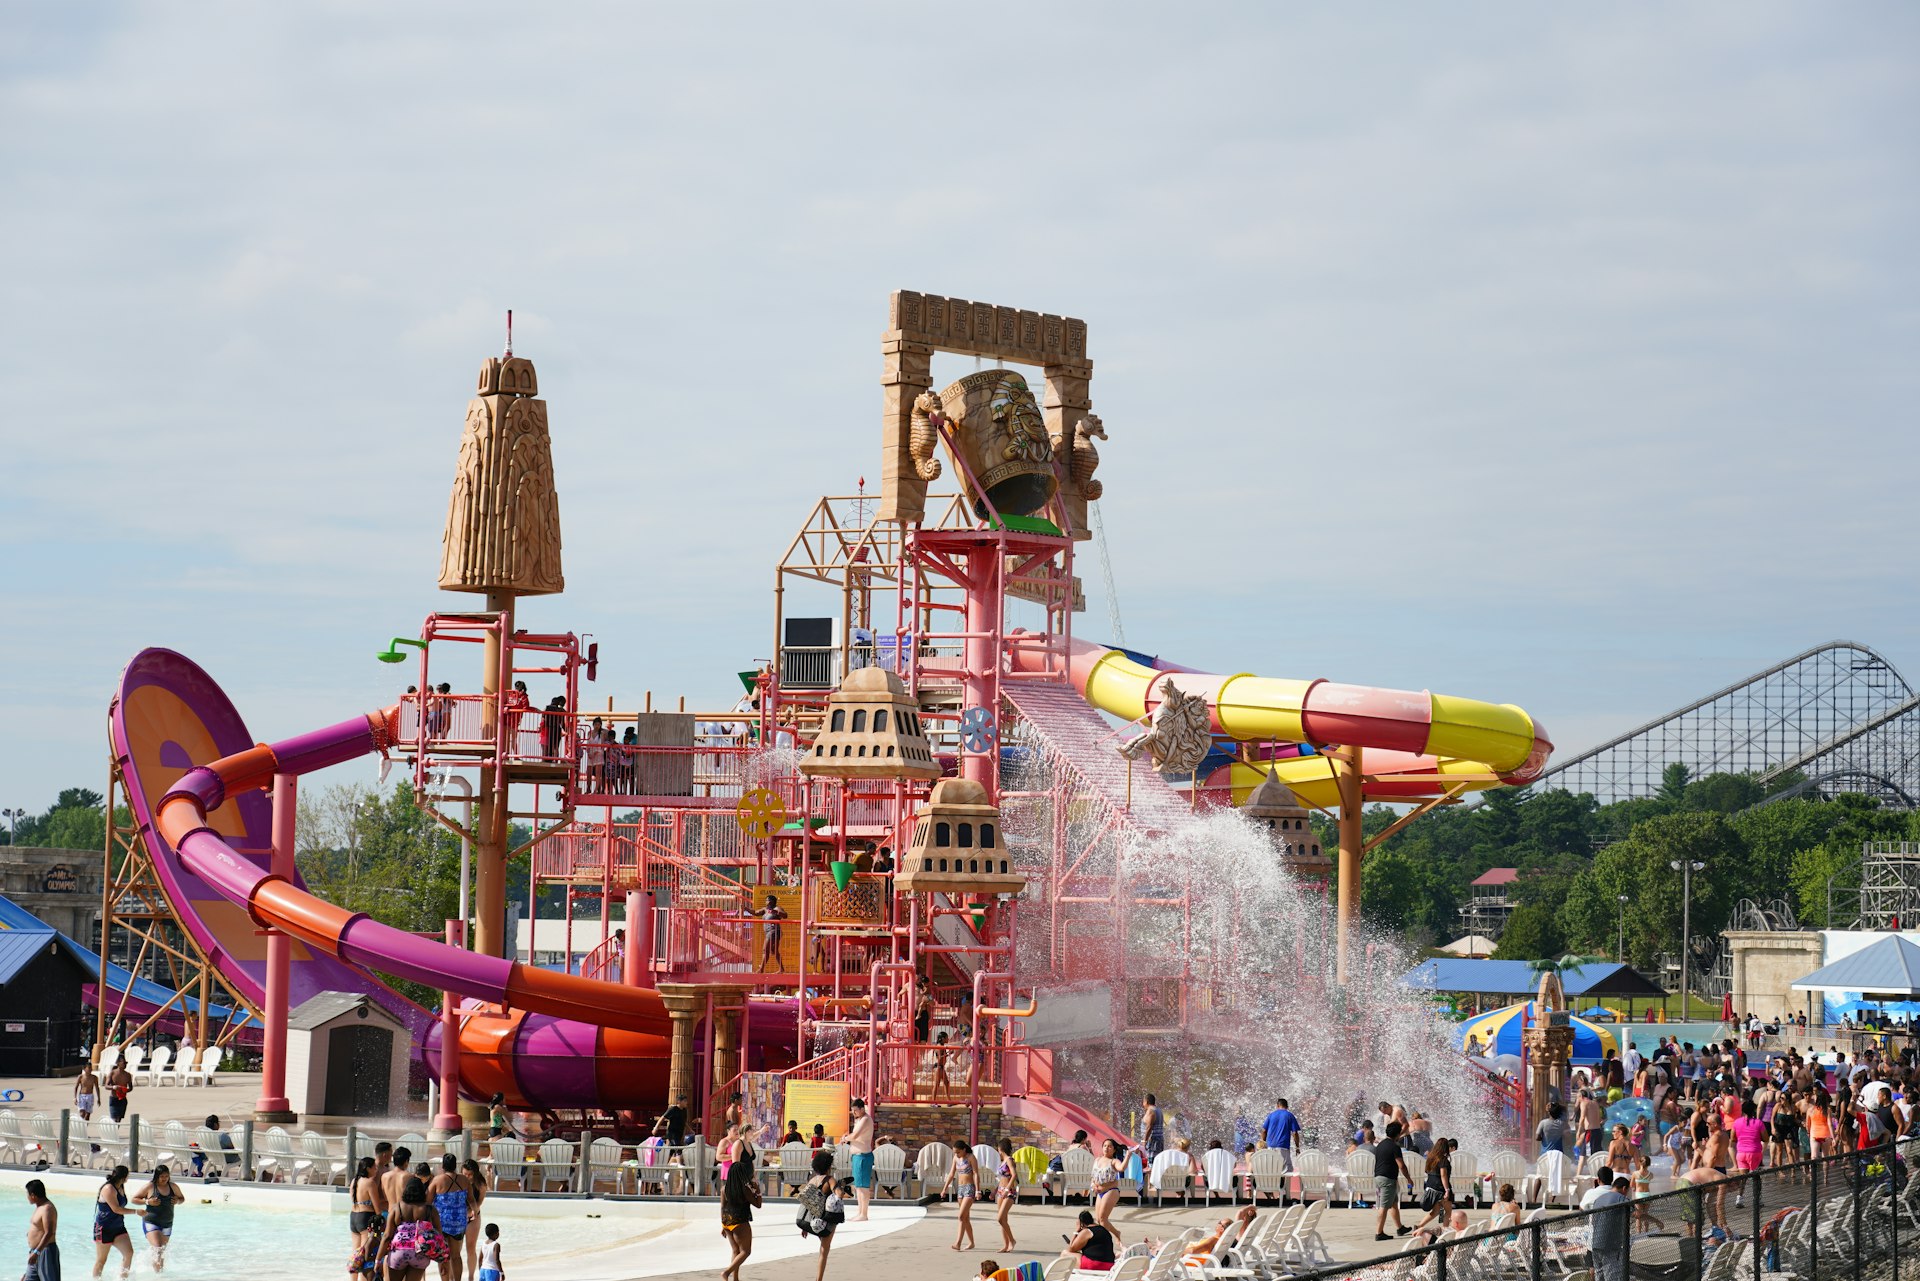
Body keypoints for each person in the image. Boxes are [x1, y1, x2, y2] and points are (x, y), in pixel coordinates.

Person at [379, 1176, 448, 1281]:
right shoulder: (430, 1209)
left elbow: (387, 1235)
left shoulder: (397, 1208)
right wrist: (443, 1260)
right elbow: (439, 1236)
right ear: (422, 1191)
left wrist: (378, 1259)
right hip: (420, 1253)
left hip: (398, 1252)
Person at [795, 1150, 840, 1281]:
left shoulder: (812, 1180)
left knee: (823, 1247)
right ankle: (818, 1279)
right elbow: (838, 1195)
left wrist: (804, 1227)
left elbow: (807, 1202)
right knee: (824, 1250)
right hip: (823, 1221)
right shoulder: (830, 1180)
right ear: (828, 1167)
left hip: (809, 1220)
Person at [427, 1153, 471, 1281]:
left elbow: (427, 1201)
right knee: (456, 1255)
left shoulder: (437, 1180)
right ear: (455, 1166)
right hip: (459, 1223)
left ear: (443, 1166)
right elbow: (471, 1200)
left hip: (442, 1223)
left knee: (442, 1255)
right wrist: (473, 1213)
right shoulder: (464, 1180)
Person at [131, 1165, 182, 1273]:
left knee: (161, 1251)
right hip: (151, 1222)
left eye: (167, 1176)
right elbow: (134, 1199)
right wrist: (147, 1201)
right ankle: (157, 1274)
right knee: (158, 1249)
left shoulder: (173, 1186)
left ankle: (158, 1275)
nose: (164, 1179)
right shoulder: (150, 1186)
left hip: (167, 1223)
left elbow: (182, 1198)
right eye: (162, 1176)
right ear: (157, 1176)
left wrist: (178, 1201)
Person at [92, 1165, 139, 1280]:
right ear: (125, 1177)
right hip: (104, 1228)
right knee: (101, 1260)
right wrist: (136, 1211)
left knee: (128, 1253)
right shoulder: (108, 1188)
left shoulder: (121, 1186)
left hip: (118, 1227)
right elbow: (116, 1209)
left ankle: (123, 1279)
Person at [718, 1155, 761, 1281]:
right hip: (740, 1221)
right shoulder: (745, 1189)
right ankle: (726, 1272)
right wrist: (757, 1190)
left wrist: (722, 1225)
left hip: (727, 1222)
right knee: (745, 1252)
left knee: (736, 1251)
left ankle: (735, 1278)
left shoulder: (723, 1189)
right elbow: (758, 1204)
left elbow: (722, 1207)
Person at [1372, 1120, 1413, 1242]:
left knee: (1393, 1203)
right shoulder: (1395, 1146)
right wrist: (1409, 1179)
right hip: (1387, 1179)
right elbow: (1401, 1165)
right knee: (1384, 1206)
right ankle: (1379, 1233)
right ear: (1398, 1134)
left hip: (1380, 1177)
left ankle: (1400, 1228)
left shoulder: (1381, 1144)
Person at [1586, 1175, 1631, 1281]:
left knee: (1599, 1276)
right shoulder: (1621, 1198)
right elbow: (1637, 1214)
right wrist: (1656, 1221)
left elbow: (1593, 1220)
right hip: (1609, 1245)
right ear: (1624, 1188)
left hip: (1595, 1243)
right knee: (1611, 1276)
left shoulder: (1599, 1199)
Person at [840, 1097, 875, 1221]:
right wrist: (846, 1137)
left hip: (863, 1156)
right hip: (857, 1156)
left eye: (855, 1110)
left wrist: (845, 1138)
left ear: (862, 1109)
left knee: (863, 1187)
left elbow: (855, 1136)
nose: (853, 1113)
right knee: (858, 1186)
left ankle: (864, 1214)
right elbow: (854, 1137)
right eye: (852, 1111)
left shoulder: (866, 1119)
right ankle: (860, 1212)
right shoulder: (859, 1120)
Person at [1410, 1138, 1453, 1233]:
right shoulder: (1443, 1160)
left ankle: (1419, 1226)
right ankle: (1445, 1231)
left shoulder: (1430, 1158)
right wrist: (1447, 1190)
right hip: (1440, 1188)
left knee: (1435, 1212)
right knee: (1448, 1211)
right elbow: (1443, 1175)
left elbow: (1427, 1171)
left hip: (1431, 1188)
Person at [943, 1135, 978, 1251]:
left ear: (964, 1150)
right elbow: (951, 1174)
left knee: (961, 1216)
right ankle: (972, 1243)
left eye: (958, 1152)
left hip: (969, 1188)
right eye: (955, 1152)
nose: (956, 1154)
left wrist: (978, 1190)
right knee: (965, 1218)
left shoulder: (971, 1157)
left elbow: (976, 1174)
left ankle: (958, 1243)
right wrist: (944, 1189)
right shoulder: (955, 1158)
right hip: (960, 1189)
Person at [1089, 1140, 1125, 1243]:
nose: (1106, 1148)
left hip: (1111, 1191)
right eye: (1104, 1146)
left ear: (1114, 1149)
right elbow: (1093, 1176)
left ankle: (1105, 1242)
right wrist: (1094, 1186)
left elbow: (1121, 1168)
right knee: (1099, 1220)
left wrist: (1127, 1156)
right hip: (1099, 1192)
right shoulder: (1097, 1160)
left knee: (1103, 1218)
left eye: (1109, 1146)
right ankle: (1116, 1233)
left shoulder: (1114, 1161)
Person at [23, 1179, 58, 1281]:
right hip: (35, 1252)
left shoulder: (47, 1208)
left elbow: (49, 1232)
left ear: (33, 1195)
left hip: (45, 1251)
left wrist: (37, 1252)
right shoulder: (39, 1207)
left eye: (28, 1194)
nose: (27, 1197)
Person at [1261, 1097, 1300, 1181]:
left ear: (1277, 1105)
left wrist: (1263, 1143)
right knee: (1286, 1171)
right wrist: (1297, 1147)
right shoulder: (1289, 1115)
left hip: (1270, 1146)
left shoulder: (1271, 1115)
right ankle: (1283, 1192)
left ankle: (1270, 1189)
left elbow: (1264, 1131)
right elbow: (1295, 1133)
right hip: (1282, 1147)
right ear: (1287, 1106)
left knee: (1272, 1169)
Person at [992, 1137, 1018, 1253]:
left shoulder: (1009, 1160)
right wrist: (995, 1190)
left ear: (1000, 1148)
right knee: (1004, 1219)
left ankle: (1012, 1240)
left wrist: (1007, 1189)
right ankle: (1006, 1245)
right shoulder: (1003, 1161)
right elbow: (1002, 1178)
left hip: (1009, 1191)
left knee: (1000, 1218)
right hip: (1000, 1191)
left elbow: (1014, 1175)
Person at [757, 895, 788, 972]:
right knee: (774, 951)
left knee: (765, 950)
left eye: (767, 900)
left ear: (771, 901)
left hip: (773, 932)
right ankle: (781, 969)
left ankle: (761, 969)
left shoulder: (776, 908)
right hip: (769, 932)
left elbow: (785, 915)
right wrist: (746, 908)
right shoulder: (765, 909)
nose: (766, 902)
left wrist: (777, 912)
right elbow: (755, 912)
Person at [1138, 1093, 1164, 1168]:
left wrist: (1144, 1141)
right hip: (1158, 1141)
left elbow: (1149, 1127)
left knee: (1151, 1165)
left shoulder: (1151, 1111)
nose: (1143, 1104)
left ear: (1146, 1101)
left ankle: (1152, 1180)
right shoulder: (1158, 1110)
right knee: (1157, 1163)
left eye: (1143, 1102)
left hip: (1152, 1143)